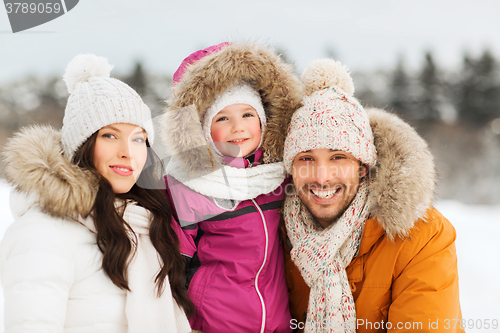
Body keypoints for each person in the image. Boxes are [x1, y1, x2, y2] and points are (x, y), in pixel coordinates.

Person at [0, 54, 194, 333]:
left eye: (138, 138)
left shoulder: (145, 227)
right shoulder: (42, 233)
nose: (128, 152)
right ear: (83, 145)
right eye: (110, 135)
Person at [281, 59, 463, 333]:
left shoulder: (421, 236)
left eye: (338, 157)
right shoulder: (270, 234)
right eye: (306, 158)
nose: (321, 176)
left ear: (363, 166)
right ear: (290, 169)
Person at [160, 42, 303, 333]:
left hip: (277, 319)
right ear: (203, 129)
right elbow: (174, 262)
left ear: (264, 122)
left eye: (248, 115)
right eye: (223, 118)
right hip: (215, 320)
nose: (238, 128)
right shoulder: (190, 185)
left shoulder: (278, 176)